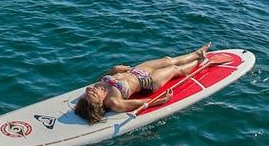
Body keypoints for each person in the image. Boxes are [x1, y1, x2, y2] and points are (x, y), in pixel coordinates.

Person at [73, 43, 212, 123]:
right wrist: (161, 101)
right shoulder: (113, 102)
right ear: (99, 103)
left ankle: (197, 53)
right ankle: (199, 61)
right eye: (93, 94)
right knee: (174, 69)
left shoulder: (98, 87)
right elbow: (140, 103)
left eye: (88, 91)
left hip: (137, 70)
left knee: (168, 60)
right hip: (148, 82)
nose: (91, 89)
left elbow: (103, 78)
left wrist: (113, 70)